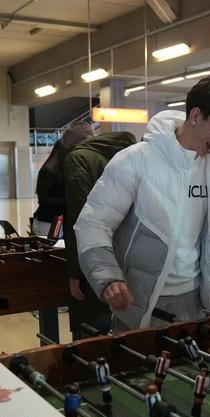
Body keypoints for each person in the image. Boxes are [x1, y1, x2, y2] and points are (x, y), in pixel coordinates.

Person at [75, 74, 210, 330]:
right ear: (195, 116)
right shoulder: (135, 160)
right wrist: (107, 277)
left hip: (196, 302)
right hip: (139, 306)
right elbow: (93, 224)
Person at [61, 131, 136, 337]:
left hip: (95, 255)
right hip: (132, 253)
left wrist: (75, 272)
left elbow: (81, 218)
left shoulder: (76, 158)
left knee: (91, 330)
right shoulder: (133, 152)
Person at [32, 121, 94, 236]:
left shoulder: (65, 169)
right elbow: (43, 198)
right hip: (48, 222)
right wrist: (67, 202)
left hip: (59, 221)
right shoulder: (48, 170)